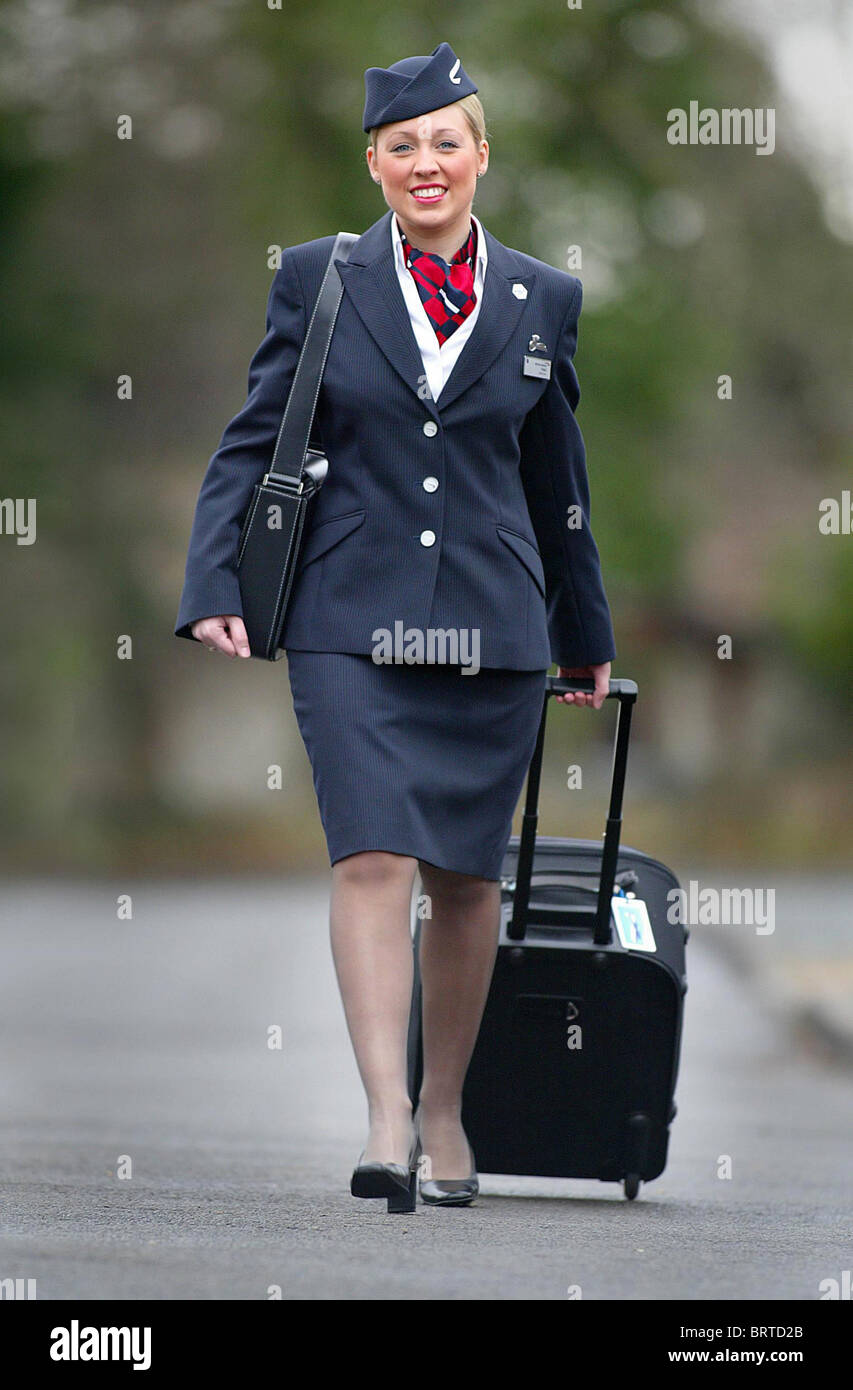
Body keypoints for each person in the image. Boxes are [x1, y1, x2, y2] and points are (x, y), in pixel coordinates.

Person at [174, 42, 616, 1212]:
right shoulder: (319, 278)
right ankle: (382, 1122)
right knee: (370, 855)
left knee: (467, 879)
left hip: (492, 627)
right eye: (402, 146)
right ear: (373, 163)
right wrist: (214, 578)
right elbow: (249, 440)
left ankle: (443, 1111)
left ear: (482, 157)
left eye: (447, 142)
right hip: (345, 616)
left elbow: (553, 474)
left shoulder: (544, 299)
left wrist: (583, 626)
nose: (426, 164)